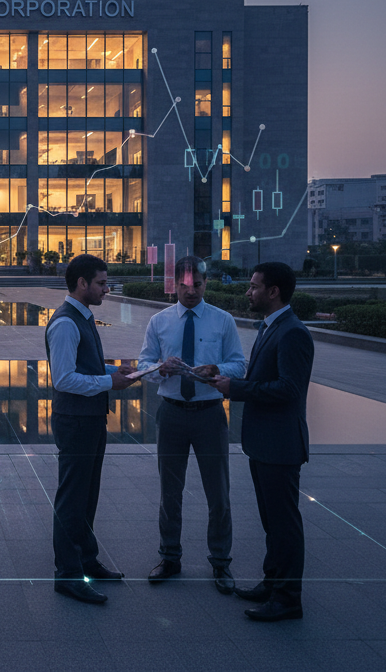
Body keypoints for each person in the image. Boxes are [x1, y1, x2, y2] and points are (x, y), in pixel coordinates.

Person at [211, 261, 313, 622]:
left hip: (280, 445)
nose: (248, 292)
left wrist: (235, 389)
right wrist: (225, 377)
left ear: (274, 292)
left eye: (254, 287)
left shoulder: (292, 333)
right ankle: (273, 583)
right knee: (273, 522)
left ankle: (287, 599)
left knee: (284, 524)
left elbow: (289, 389)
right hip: (265, 442)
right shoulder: (273, 327)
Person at [138, 256, 246, 594]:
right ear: (174, 285)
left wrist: (214, 368)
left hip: (209, 414)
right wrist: (161, 369)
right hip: (171, 413)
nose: (191, 291)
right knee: (169, 493)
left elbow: (239, 365)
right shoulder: (159, 321)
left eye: (197, 285)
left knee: (219, 494)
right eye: (184, 286)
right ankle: (170, 556)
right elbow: (143, 364)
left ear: (205, 282)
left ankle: (220, 562)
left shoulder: (222, 321)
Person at [46, 253, 135, 604]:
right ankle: (67, 574)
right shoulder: (66, 322)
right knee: (72, 498)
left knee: (87, 495)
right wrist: (109, 382)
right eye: (100, 282)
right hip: (76, 421)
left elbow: (85, 367)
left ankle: (86, 559)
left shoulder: (84, 316)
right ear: (82, 283)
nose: (106, 288)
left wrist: (115, 371)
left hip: (91, 419)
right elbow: (65, 379)